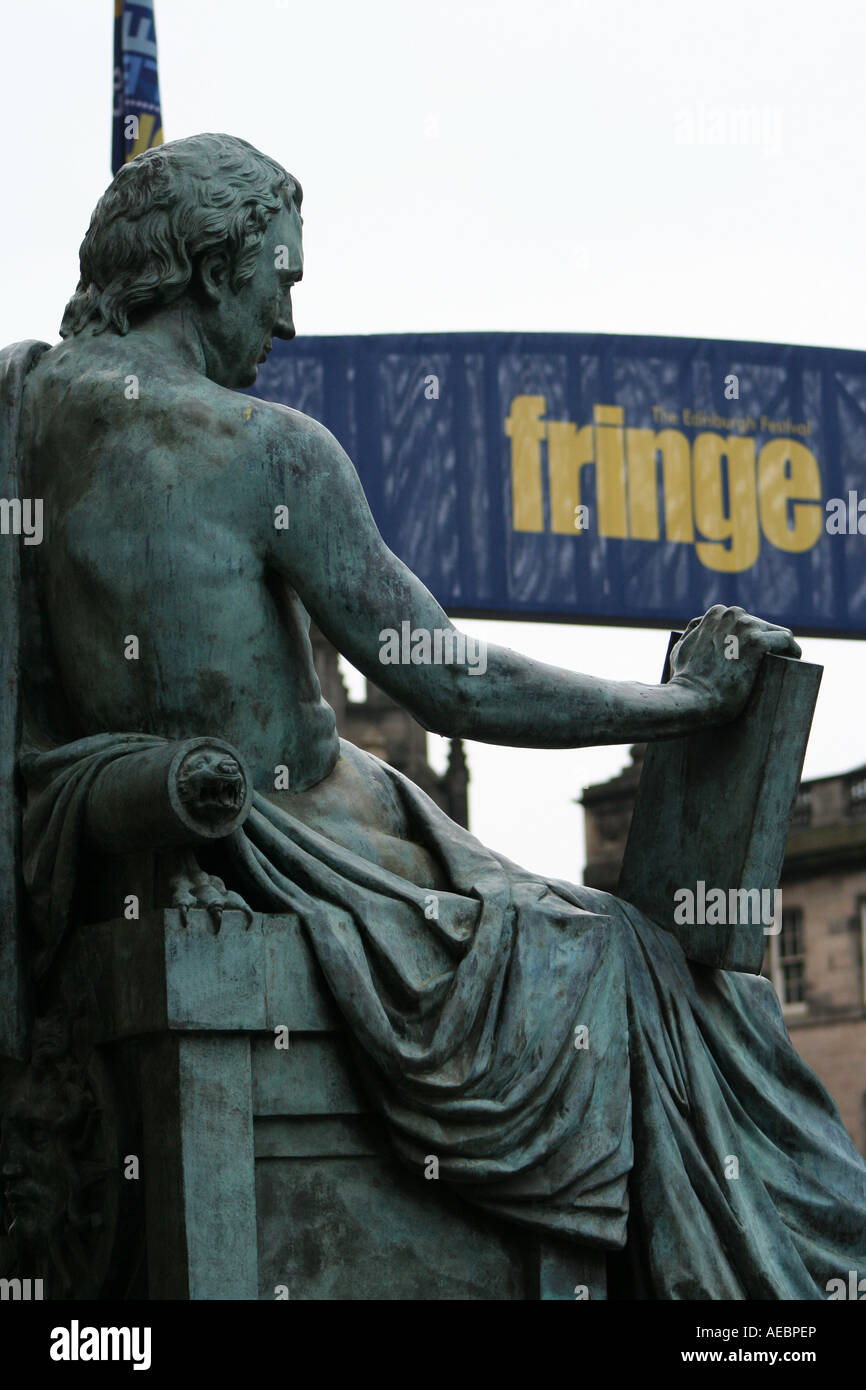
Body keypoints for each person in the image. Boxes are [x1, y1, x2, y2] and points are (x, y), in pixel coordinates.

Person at [7, 133, 866, 1297]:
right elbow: (453, 679)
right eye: (282, 275)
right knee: (658, 971)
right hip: (311, 850)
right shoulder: (269, 449)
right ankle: (782, 1289)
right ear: (213, 270)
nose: (291, 320)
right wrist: (689, 703)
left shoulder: (27, 410)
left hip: (191, 828)